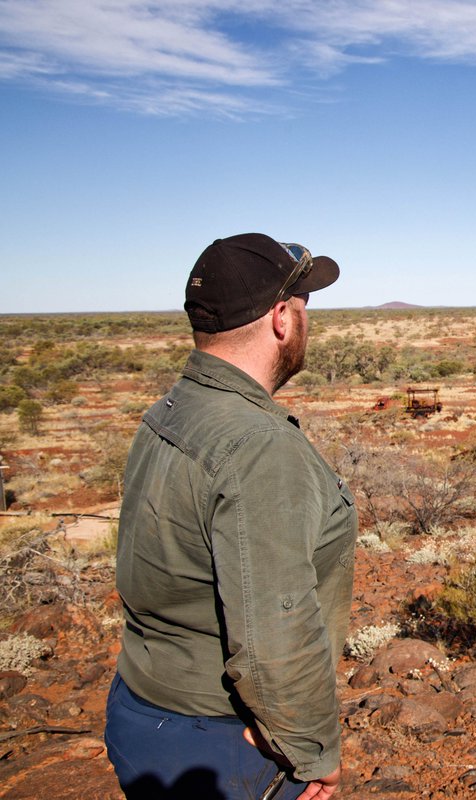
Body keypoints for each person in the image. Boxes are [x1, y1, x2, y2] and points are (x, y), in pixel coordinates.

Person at [104, 234, 357, 800]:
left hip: (142, 707)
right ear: (279, 320)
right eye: (303, 305)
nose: (304, 319)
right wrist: (313, 753)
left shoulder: (172, 409)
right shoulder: (257, 447)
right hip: (223, 742)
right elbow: (277, 630)